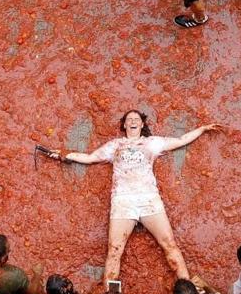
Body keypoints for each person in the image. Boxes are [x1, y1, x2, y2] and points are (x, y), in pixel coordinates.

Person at [49, 111, 222, 280]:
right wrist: (63, 154)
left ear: (142, 124)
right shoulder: (115, 145)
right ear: (124, 125)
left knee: (169, 244)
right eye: (129, 119)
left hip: (148, 199)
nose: (133, 121)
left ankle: (188, 291)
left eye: (136, 119)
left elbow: (180, 140)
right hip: (122, 201)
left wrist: (203, 129)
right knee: (114, 249)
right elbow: (90, 157)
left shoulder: (152, 143)